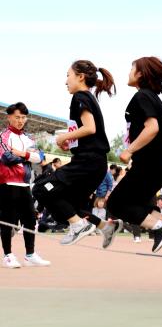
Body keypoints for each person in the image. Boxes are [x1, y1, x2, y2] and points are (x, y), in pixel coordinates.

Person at [99, 56, 162, 252]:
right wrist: (160, 148)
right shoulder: (154, 98)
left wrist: (130, 150)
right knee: (137, 202)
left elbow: (152, 127)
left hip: (148, 164)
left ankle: (161, 227)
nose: (128, 73)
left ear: (140, 74)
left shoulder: (142, 97)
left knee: (116, 203)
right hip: (160, 165)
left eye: (131, 69)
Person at [32, 60, 116, 246]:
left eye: (68, 75)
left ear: (80, 77)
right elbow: (87, 131)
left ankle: (78, 226)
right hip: (95, 163)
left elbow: (90, 127)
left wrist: (64, 137)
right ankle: (105, 227)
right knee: (69, 204)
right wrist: (71, 142)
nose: (65, 81)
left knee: (40, 189)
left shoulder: (80, 97)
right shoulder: (88, 98)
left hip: (88, 162)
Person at [0, 102, 50, 268]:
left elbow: (40, 158)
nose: (20, 120)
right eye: (17, 117)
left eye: (23, 117)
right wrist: (29, 156)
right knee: (7, 221)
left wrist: (21, 153)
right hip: (7, 183)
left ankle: (30, 255)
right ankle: (8, 255)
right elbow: (6, 158)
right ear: (9, 117)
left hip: (24, 184)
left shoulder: (29, 138)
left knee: (30, 219)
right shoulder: (3, 136)